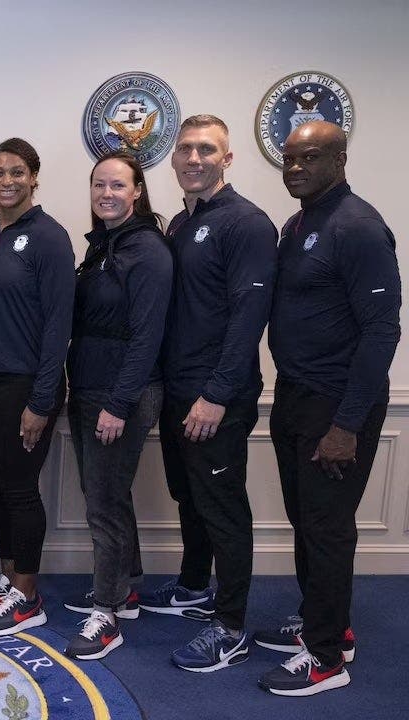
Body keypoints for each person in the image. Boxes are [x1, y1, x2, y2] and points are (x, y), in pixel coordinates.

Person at [255, 121, 400, 696]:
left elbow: (382, 331)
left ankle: (326, 659)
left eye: (310, 157)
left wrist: (346, 425)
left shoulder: (358, 227)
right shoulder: (298, 224)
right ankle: (326, 622)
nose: (295, 168)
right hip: (295, 394)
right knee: (306, 521)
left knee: (327, 528)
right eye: (289, 158)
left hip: (337, 404)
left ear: (340, 159)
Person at [147, 115, 278, 672]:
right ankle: (194, 585)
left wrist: (217, 395)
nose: (194, 158)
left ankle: (230, 626)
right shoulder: (181, 222)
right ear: (173, 158)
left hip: (216, 396)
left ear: (227, 159)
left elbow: (250, 316)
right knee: (190, 495)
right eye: (185, 149)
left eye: (206, 149)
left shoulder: (247, 223)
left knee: (223, 508)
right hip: (178, 390)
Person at [63, 152, 172, 661]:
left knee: (103, 504)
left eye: (117, 185)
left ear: (137, 192)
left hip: (121, 394)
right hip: (89, 389)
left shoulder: (148, 251)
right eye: (98, 184)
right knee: (108, 495)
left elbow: (147, 337)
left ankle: (105, 613)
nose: (106, 193)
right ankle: (124, 588)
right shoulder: (104, 246)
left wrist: (119, 404)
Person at [0, 139, 75, 636]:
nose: (5, 181)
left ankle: (28, 596)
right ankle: (9, 578)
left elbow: (58, 325)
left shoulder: (50, 237)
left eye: (16, 172)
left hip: (27, 384)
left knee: (20, 489)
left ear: (34, 178)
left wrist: (42, 400)